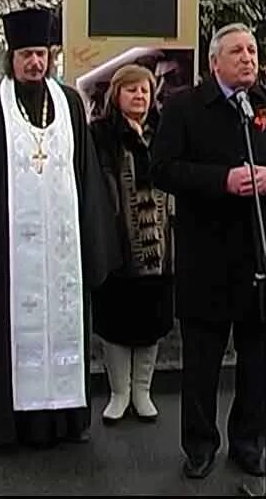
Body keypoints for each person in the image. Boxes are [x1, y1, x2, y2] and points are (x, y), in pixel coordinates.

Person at [0, 6, 120, 451]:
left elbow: (87, 177)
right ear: (11, 58)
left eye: (41, 54)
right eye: (25, 56)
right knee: (6, 335)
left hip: (62, 256)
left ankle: (64, 421)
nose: (34, 63)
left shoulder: (70, 104)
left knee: (63, 329)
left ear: (50, 55)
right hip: (6, 256)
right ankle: (4, 425)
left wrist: (94, 243)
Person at [150, 22, 266, 480]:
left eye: (253, 50)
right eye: (238, 52)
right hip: (207, 257)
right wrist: (220, 180)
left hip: (260, 256)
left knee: (258, 361)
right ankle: (199, 444)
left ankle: (249, 441)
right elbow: (162, 168)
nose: (248, 58)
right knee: (201, 363)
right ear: (214, 62)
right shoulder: (185, 107)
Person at [90, 64, 174, 424]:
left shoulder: (164, 132)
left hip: (159, 242)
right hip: (116, 239)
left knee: (151, 318)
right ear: (116, 95)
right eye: (131, 90)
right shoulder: (100, 134)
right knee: (116, 318)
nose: (140, 96)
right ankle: (119, 392)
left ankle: (142, 391)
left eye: (145, 90)